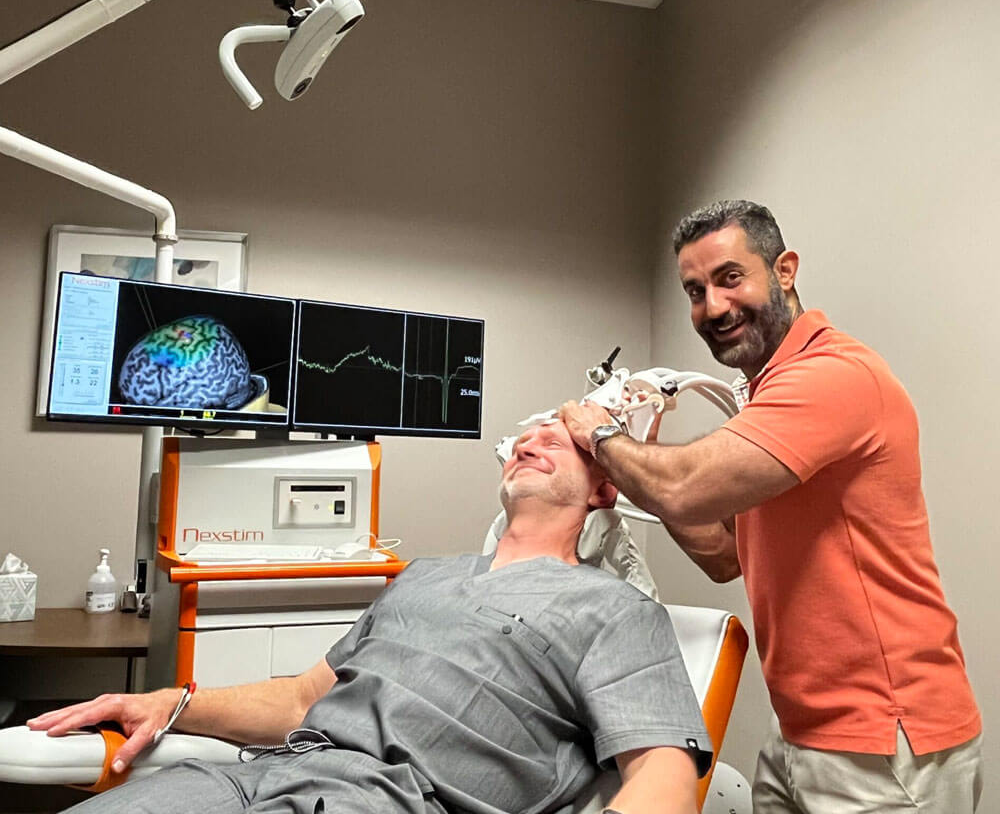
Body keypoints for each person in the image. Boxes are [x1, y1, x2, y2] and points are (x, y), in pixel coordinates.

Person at [29, 419, 711, 814]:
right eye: (524, 436)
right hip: (246, 777)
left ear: (603, 488)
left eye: (556, 441)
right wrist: (168, 703)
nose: (530, 441)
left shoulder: (618, 610)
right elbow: (301, 698)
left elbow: (663, 769)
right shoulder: (427, 575)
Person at [559, 199, 982, 814]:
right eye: (695, 291)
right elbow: (724, 555)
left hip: (884, 741)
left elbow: (681, 486)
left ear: (784, 270)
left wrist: (599, 433)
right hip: (800, 731)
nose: (713, 307)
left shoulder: (832, 376)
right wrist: (640, 453)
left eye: (731, 278)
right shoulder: (765, 401)